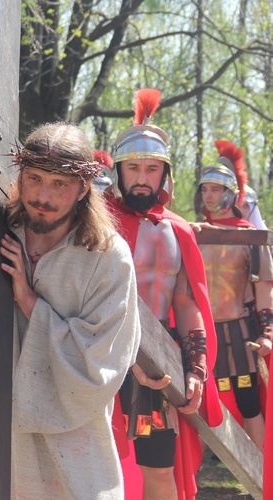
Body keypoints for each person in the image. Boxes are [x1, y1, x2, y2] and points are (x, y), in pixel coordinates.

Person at [0, 122, 141, 498]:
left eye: (59, 184)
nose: (42, 195)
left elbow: (104, 357)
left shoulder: (107, 257)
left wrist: (27, 299)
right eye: (34, 178)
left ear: (84, 188)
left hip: (69, 432)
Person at [105, 89, 222, 499]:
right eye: (133, 167)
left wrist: (196, 369)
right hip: (95, 357)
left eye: (151, 168)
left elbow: (188, 303)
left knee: (159, 469)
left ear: (164, 174)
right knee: (92, 469)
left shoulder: (179, 231)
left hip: (157, 367)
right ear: (118, 170)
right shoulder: (94, 224)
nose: (141, 177)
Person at [192, 140, 272, 451]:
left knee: (248, 401)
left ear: (229, 194)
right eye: (205, 189)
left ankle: (262, 478)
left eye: (214, 189)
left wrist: (267, 332)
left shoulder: (251, 237)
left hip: (241, 331)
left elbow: (264, 289)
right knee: (212, 400)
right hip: (202, 331)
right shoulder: (193, 233)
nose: (208, 195)